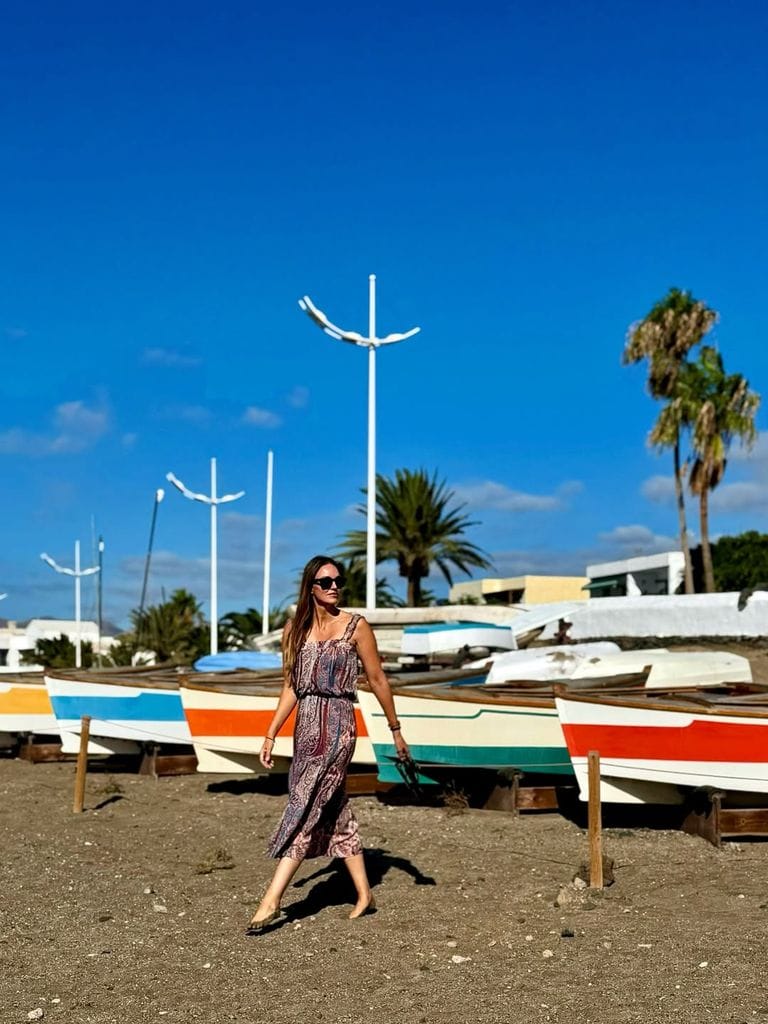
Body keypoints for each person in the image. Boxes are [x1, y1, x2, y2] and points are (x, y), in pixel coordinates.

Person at [246, 554, 409, 933]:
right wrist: (270, 732)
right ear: (310, 587)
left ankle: (271, 899)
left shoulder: (355, 626)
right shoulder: (294, 630)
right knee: (334, 809)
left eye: (338, 580)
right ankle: (365, 895)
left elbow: (378, 679)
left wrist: (395, 729)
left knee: (305, 803)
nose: (334, 586)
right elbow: (292, 686)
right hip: (305, 726)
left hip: (338, 726)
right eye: (325, 581)